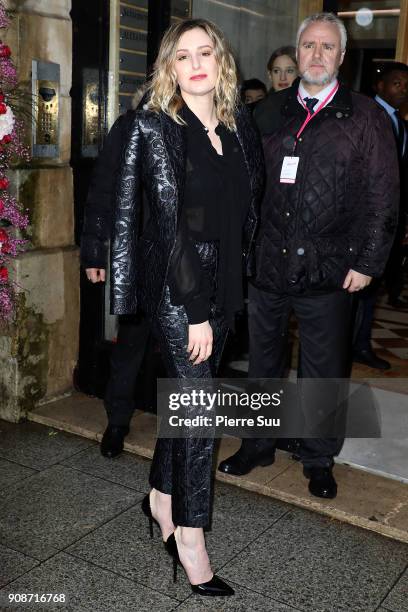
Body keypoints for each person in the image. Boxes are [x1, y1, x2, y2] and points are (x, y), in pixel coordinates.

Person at [110, 19, 263, 595]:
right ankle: (192, 540)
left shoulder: (238, 126)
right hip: (182, 289)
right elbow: (168, 225)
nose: (195, 63)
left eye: (205, 52)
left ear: (220, 61)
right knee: (201, 415)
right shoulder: (154, 128)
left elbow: (246, 211)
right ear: (169, 68)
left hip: (223, 284)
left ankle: (159, 496)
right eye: (182, 56)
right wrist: (196, 309)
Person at [218, 12, 398, 499]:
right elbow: (243, 186)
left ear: (341, 56)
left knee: (323, 367)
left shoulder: (367, 117)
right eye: (308, 46)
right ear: (297, 54)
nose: (316, 55)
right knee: (263, 362)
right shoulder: (266, 112)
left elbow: (383, 197)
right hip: (267, 265)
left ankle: (318, 457)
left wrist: (367, 262)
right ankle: (256, 445)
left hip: (331, 268)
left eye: (327, 47)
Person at [81, 91, 152, 459]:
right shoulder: (130, 125)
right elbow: (103, 189)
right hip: (138, 256)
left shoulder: (206, 123)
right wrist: (95, 250)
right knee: (130, 345)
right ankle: (117, 421)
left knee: (190, 354)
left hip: (188, 261)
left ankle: (186, 440)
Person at [352, 62, 408, 370]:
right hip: (360, 221)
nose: (403, 88)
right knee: (358, 289)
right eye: (397, 82)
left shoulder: (400, 123)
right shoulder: (364, 115)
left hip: (387, 219)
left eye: (406, 84)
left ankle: (359, 344)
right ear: (380, 86)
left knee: (372, 289)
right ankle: (352, 346)